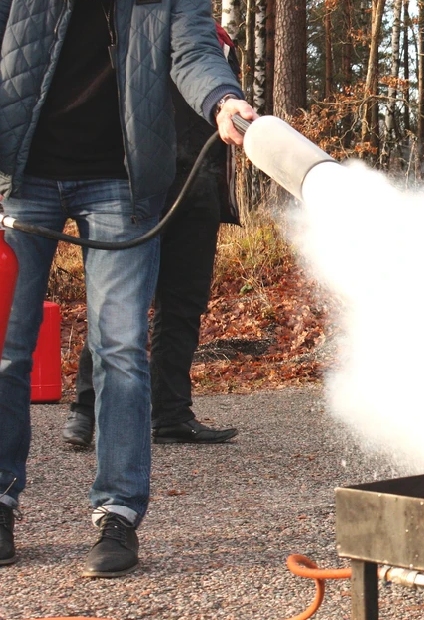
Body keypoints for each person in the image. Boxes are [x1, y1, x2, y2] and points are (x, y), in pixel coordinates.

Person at [0, 0, 256, 577]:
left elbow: (192, 50)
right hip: (21, 177)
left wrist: (223, 99)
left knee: (119, 348)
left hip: (123, 182)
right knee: (6, 349)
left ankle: (116, 513)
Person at [62, 25, 242, 448]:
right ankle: (85, 412)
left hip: (200, 188)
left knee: (182, 308)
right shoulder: (140, 28)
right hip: (137, 188)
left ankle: (172, 414)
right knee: (117, 302)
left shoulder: (222, 42)